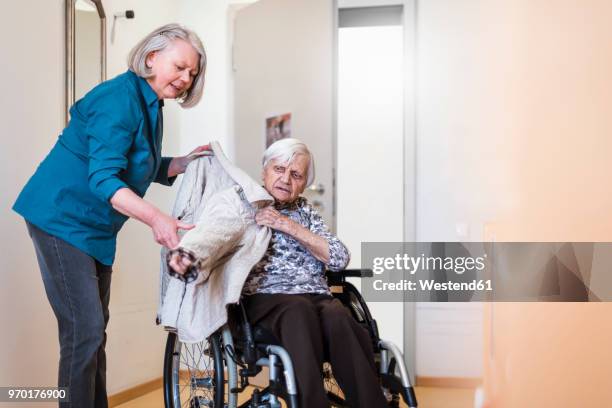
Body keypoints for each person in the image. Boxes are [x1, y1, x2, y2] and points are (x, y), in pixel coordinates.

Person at [13, 23, 208, 408]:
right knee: (83, 331)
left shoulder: (150, 104)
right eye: (180, 67)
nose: (186, 78)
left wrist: (181, 164)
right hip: (61, 218)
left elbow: (136, 163)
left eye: (192, 73)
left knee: (93, 331)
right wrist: (157, 219)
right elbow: (103, 176)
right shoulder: (119, 99)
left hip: (94, 227)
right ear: (152, 58)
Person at [170, 138, 388, 407]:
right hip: (261, 300)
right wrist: (188, 254)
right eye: (279, 169)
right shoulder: (244, 201)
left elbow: (339, 257)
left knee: (338, 315)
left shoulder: (305, 211)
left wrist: (286, 225)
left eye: (296, 174)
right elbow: (214, 233)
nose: (286, 179)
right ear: (264, 171)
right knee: (297, 309)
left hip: (314, 296)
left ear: (304, 183)